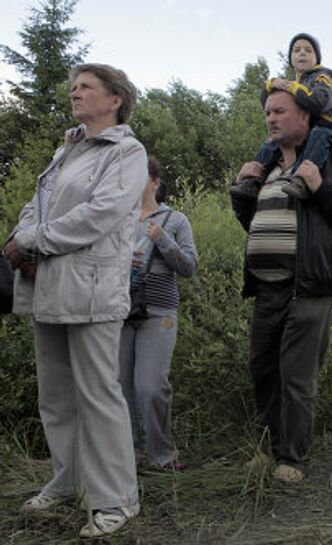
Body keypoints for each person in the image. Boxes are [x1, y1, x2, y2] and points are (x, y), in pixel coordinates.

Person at [3, 63, 145, 538]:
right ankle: (68, 482)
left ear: (114, 100)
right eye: (73, 87)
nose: (76, 93)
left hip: (92, 291)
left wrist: (34, 242)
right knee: (58, 398)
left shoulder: (126, 152)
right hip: (49, 287)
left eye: (86, 87)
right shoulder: (67, 150)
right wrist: (22, 235)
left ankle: (117, 499)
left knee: (99, 396)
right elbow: (34, 206)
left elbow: (100, 214)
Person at [230, 89, 332, 483]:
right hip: (266, 286)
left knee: (296, 376)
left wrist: (322, 188)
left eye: (279, 111)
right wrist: (243, 190)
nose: (270, 118)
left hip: (309, 285)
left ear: (305, 118)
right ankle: (266, 448)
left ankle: (291, 459)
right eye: (267, 112)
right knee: (262, 369)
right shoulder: (269, 165)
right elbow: (255, 222)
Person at [118, 157, 198, 470]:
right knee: (121, 388)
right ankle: (131, 457)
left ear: (155, 182)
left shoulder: (175, 220)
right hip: (121, 310)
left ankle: (162, 455)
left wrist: (161, 240)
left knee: (150, 387)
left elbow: (189, 267)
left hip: (159, 311)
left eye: (141, 176)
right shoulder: (119, 219)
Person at [230, 33, 332, 201]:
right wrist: (270, 85)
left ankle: (302, 180)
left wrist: (292, 87)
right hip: (308, 127)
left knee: (319, 136)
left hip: (331, 126)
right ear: (290, 58)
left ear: (317, 58)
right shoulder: (293, 83)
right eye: (296, 50)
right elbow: (270, 103)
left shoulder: (324, 77)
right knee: (273, 141)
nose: (302, 53)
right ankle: (254, 180)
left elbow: (320, 102)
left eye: (308, 50)